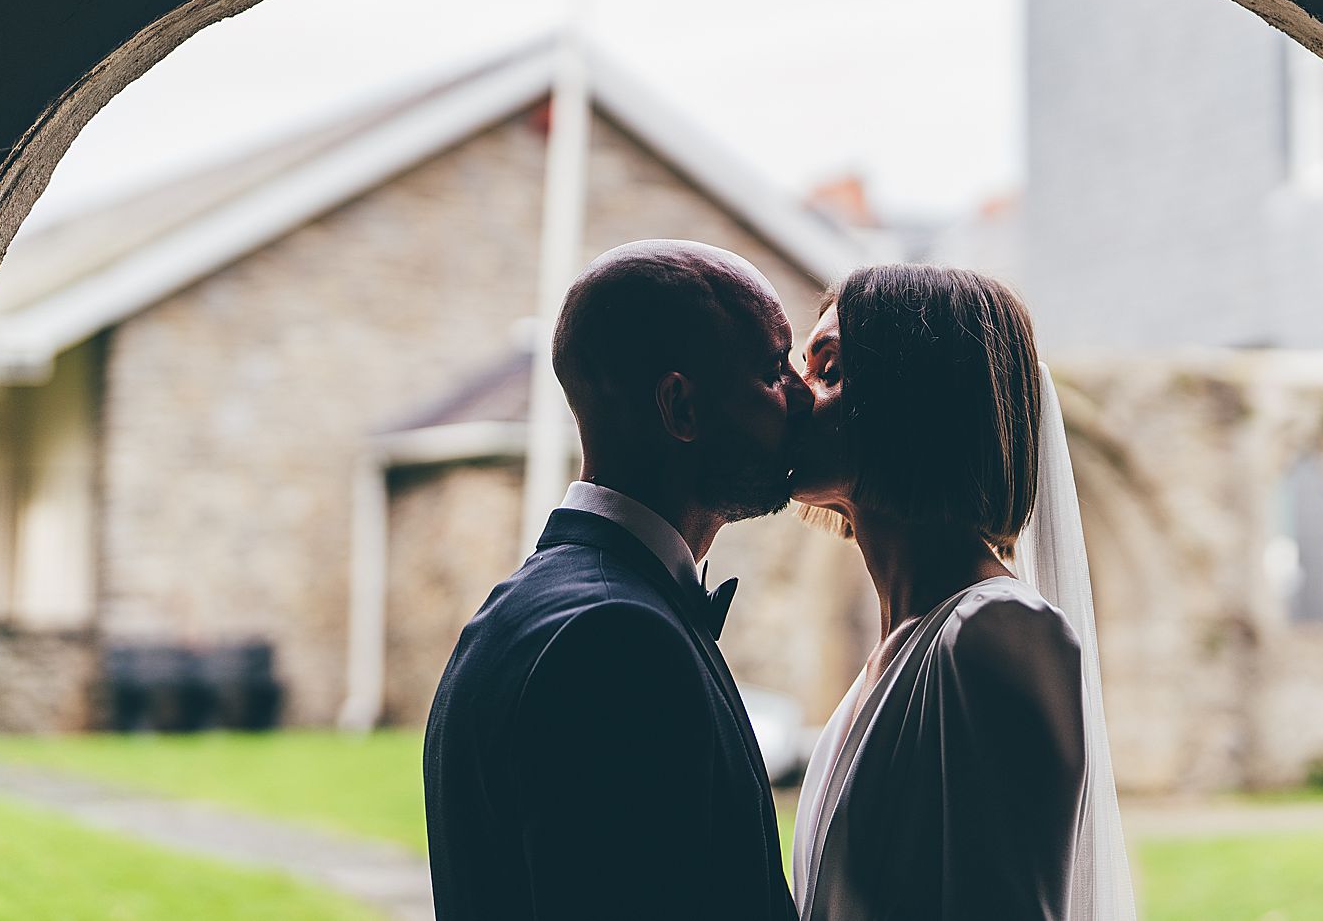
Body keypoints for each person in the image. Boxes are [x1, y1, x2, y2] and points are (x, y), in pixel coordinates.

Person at [424, 239, 806, 921]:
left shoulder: (524, 607)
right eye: (775, 369)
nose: (803, 396)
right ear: (680, 407)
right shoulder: (615, 642)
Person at [789, 263, 1137, 921]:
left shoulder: (995, 632)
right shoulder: (889, 656)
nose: (793, 393)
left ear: (913, 396)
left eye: (830, 370)